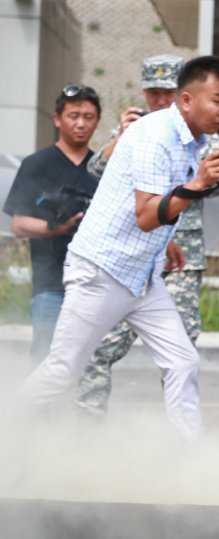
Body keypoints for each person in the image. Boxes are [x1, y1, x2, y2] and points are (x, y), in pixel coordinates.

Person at [19, 55, 219, 443]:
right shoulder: (155, 136)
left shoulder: (194, 140)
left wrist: (166, 242)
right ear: (186, 100)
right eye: (216, 100)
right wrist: (199, 184)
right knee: (61, 372)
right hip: (102, 271)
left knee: (183, 362)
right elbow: (145, 215)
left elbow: (150, 205)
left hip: (143, 276)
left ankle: (192, 461)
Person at [76, 54, 219, 417]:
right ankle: (85, 432)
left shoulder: (203, 132)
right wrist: (122, 138)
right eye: (154, 93)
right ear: (144, 92)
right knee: (98, 347)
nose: (161, 102)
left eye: (168, 93)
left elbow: (213, 187)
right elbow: (94, 169)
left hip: (178, 259)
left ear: (184, 95)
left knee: (180, 355)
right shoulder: (135, 129)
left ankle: (178, 443)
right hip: (125, 257)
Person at [3, 86, 101, 366]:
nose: (81, 123)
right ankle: (32, 411)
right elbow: (19, 224)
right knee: (45, 359)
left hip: (95, 285)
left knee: (89, 365)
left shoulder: (102, 167)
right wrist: (57, 228)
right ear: (57, 119)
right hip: (51, 283)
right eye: (73, 116)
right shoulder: (36, 164)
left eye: (88, 116)